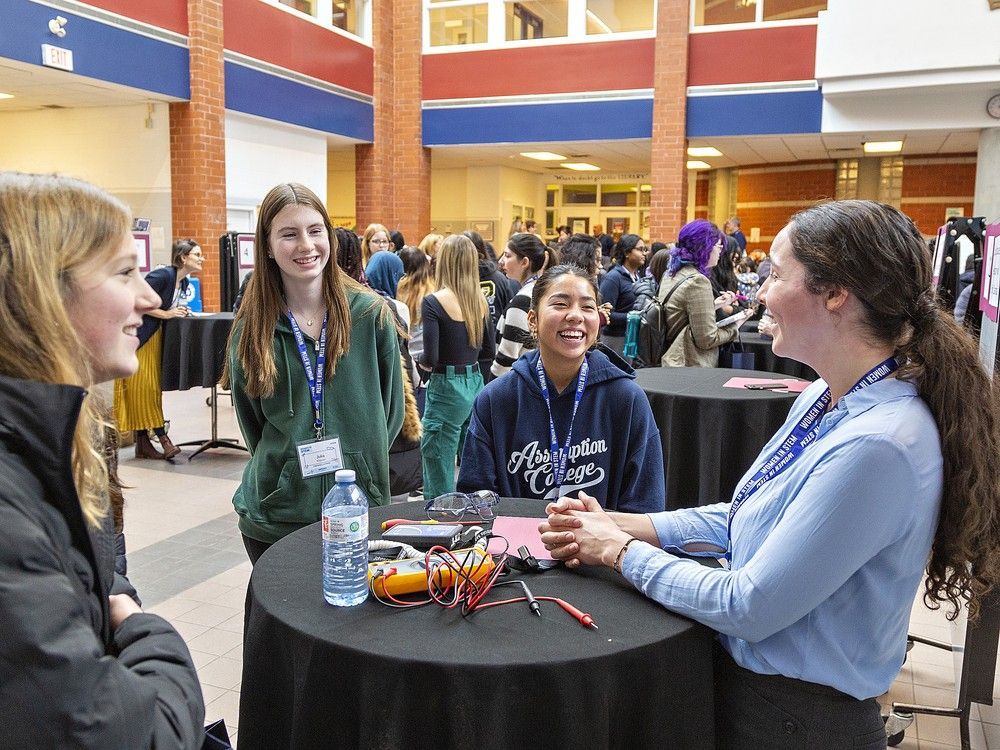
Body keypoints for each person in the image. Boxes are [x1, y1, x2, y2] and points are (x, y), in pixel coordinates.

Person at [540, 199, 1000, 748]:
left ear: (835, 294)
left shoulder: (880, 445)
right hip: (763, 699)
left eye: (777, 275)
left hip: (798, 721)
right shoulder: (823, 398)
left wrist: (616, 551)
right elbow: (746, 518)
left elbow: (747, 605)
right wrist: (624, 525)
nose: (759, 291)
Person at [0, 171, 205, 748]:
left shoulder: (46, 446)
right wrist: (147, 633)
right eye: (124, 272)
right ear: (42, 292)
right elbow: (143, 736)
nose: (148, 297)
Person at [227, 184, 404, 564]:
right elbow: (251, 425)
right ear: (268, 246)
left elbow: (391, 414)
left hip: (357, 511)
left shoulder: (370, 315)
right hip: (276, 518)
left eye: (315, 230)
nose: (305, 245)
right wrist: (289, 470)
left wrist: (357, 462)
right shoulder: (252, 329)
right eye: (289, 234)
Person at [459, 265, 664, 513]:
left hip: (604, 549)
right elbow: (475, 501)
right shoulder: (496, 400)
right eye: (561, 304)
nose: (576, 316)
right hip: (514, 548)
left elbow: (646, 506)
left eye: (588, 307)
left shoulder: (628, 399)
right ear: (532, 319)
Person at [418, 234, 495, 500]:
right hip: (475, 382)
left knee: (438, 458)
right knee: (472, 461)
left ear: (444, 262)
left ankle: (438, 523)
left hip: (446, 387)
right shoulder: (480, 302)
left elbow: (432, 357)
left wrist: (419, 364)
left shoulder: (433, 302)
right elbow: (489, 351)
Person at [113, 238, 203, 460]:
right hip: (140, 338)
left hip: (154, 339)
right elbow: (135, 298)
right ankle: (163, 439)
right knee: (145, 389)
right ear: (183, 257)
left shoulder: (182, 282)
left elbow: (167, 306)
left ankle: (143, 444)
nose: (202, 259)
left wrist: (176, 310)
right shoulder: (163, 276)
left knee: (146, 390)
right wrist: (166, 314)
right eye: (198, 255)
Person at [660, 220, 746, 367]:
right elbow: (707, 339)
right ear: (705, 247)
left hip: (672, 360)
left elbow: (680, 314)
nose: (720, 251)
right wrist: (735, 327)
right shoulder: (698, 281)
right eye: (719, 246)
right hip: (690, 364)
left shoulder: (671, 274)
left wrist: (714, 305)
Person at [491, 232, 549, 377]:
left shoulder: (523, 299)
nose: (502, 261)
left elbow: (506, 357)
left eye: (508, 256)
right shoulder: (537, 290)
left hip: (514, 380)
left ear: (524, 262)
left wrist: (490, 389)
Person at [599, 233, 649, 354]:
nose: (644, 253)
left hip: (632, 336)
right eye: (640, 249)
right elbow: (606, 313)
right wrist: (632, 316)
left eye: (645, 249)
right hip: (615, 339)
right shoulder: (613, 278)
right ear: (627, 253)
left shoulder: (638, 276)